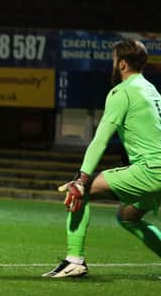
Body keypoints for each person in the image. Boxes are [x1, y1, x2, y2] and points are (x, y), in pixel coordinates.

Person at [43, 39, 161, 278]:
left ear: (123, 64)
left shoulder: (123, 92)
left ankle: (74, 261)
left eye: (114, 61)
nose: (113, 65)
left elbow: (100, 139)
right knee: (128, 217)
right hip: (156, 170)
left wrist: (81, 177)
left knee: (82, 190)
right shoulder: (152, 90)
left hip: (151, 170)